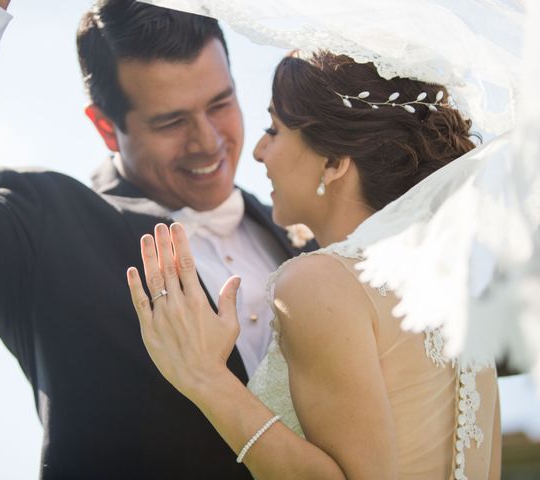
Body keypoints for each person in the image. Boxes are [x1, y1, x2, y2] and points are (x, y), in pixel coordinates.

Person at [0, 0, 311, 478]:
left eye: (220, 104)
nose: (207, 142)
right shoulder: (44, 229)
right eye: (171, 122)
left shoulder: (309, 240)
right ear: (105, 128)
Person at [128, 50, 502, 478]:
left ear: (333, 162)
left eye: (274, 129)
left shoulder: (318, 282)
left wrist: (204, 376)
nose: (258, 151)